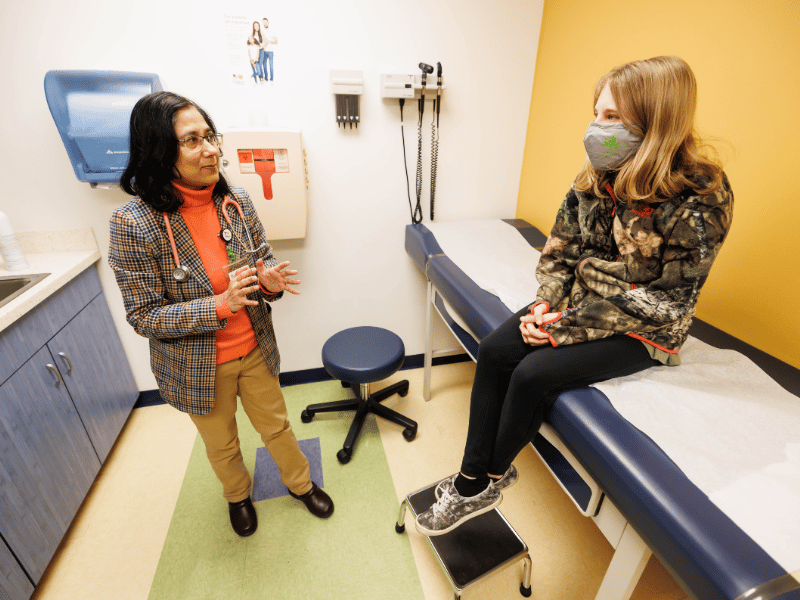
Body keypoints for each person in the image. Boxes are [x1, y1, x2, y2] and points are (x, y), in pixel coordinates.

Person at [415, 56, 734, 536]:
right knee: (498, 349)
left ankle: (487, 480)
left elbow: (666, 300)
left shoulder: (700, 196)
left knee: (530, 375)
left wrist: (560, 330)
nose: (596, 128)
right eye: (597, 114)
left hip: (645, 327)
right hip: (578, 304)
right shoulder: (595, 175)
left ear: (655, 122)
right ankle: (470, 479)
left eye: (613, 119)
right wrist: (545, 303)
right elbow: (560, 251)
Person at [109, 91, 334, 538]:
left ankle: (301, 484)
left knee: (278, 428)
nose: (211, 149)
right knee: (222, 443)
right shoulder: (133, 223)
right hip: (197, 365)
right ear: (158, 150)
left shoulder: (236, 202)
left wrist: (267, 282)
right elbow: (143, 316)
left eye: (210, 136)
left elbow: (261, 258)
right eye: (191, 140)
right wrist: (218, 305)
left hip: (252, 348)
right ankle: (238, 497)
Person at [259, 18, 277, 83]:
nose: (265, 23)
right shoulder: (262, 31)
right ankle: (266, 79)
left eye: (266, 22)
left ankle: (271, 79)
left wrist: (269, 41)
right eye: (263, 22)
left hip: (270, 51)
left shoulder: (272, 31)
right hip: (264, 50)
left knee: (271, 66)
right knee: (264, 65)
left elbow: (276, 42)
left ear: (268, 22)